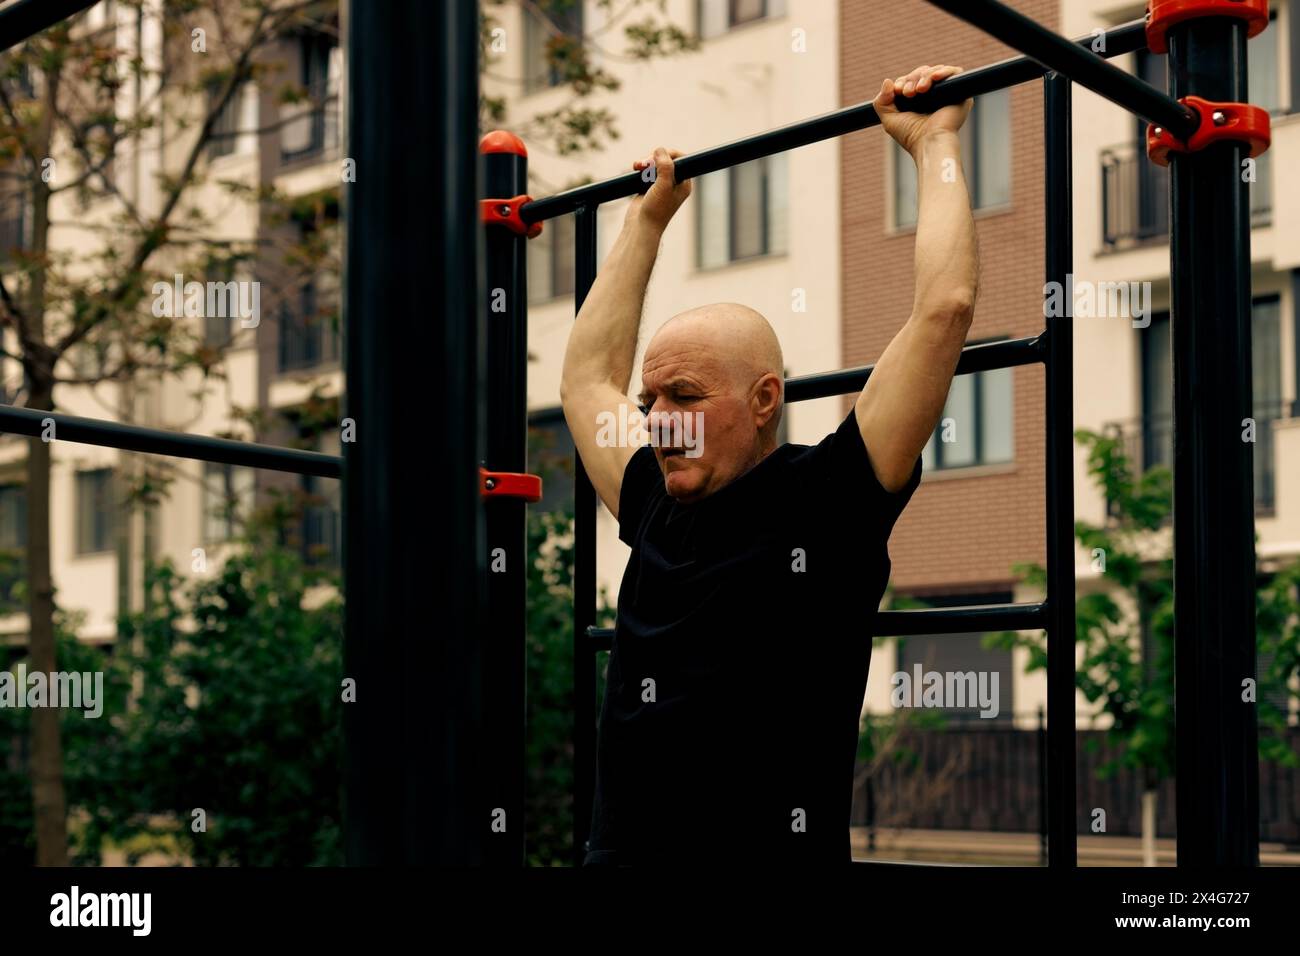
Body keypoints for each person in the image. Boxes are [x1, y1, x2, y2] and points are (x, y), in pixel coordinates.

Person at [560, 64, 978, 865]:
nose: (658, 421)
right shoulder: (652, 496)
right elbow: (586, 379)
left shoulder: (830, 497)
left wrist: (936, 143)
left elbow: (944, 308)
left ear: (764, 400)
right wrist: (648, 220)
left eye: (682, 394)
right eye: (651, 400)